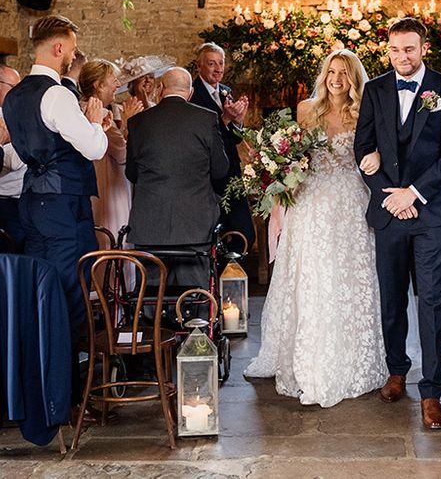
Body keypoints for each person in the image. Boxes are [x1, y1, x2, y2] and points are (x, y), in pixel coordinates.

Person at [245, 49, 388, 406]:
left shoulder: (365, 112)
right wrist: (281, 170)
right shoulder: (306, 110)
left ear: (355, 79)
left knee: (347, 278)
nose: (336, 79)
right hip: (310, 202)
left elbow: (381, 150)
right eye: (331, 72)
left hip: (351, 203)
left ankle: (351, 356)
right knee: (313, 276)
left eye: (344, 73)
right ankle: (307, 357)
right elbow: (295, 153)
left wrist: (379, 157)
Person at [354, 17, 441, 430]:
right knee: (392, 298)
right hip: (388, 212)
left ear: (423, 49)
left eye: (410, 49)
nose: (403, 57)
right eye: (396, 50)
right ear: (388, 50)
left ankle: (432, 392)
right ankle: (396, 369)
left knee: (432, 302)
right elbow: (362, 150)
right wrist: (390, 196)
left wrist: (413, 195)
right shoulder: (375, 89)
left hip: (431, 214)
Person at [3, 14, 109, 411]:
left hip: (31, 205)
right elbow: (95, 149)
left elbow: (17, 154)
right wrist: (94, 121)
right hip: (63, 207)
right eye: (72, 47)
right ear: (59, 47)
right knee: (69, 297)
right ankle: (64, 399)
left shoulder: (14, 97)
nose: (73, 58)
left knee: (39, 296)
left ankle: (41, 393)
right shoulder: (57, 94)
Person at [125, 67, 229, 285]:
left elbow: (131, 173)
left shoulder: (137, 122)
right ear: (190, 92)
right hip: (195, 224)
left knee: (151, 298)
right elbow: (220, 170)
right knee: (195, 297)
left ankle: (153, 319)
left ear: (161, 89)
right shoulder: (206, 118)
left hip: (150, 226)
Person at [190, 42, 255, 249]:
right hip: (208, 174)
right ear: (199, 66)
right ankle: (216, 279)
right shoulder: (192, 94)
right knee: (214, 233)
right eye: (211, 64)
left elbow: (234, 138)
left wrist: (238, 121)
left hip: (232, 172)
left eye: (221, 63)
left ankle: (233, 277)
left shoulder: (226, 91)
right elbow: (199, 135)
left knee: (244, 232)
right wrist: (225, 119)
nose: (218, 69)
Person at [79, 60, 143, 242]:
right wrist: (129, 121)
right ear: (98, 85)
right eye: (113, 80)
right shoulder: (100, 115)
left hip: (94, 185)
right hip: (109, 188)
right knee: (113, 241)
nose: (118, 84)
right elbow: (123, 155)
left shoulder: (80, 109)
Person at [0, 65, 26, 251]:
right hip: (4, 201)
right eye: (13, 86)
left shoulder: (16, 114)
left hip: (21, 198)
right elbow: (14, 161)